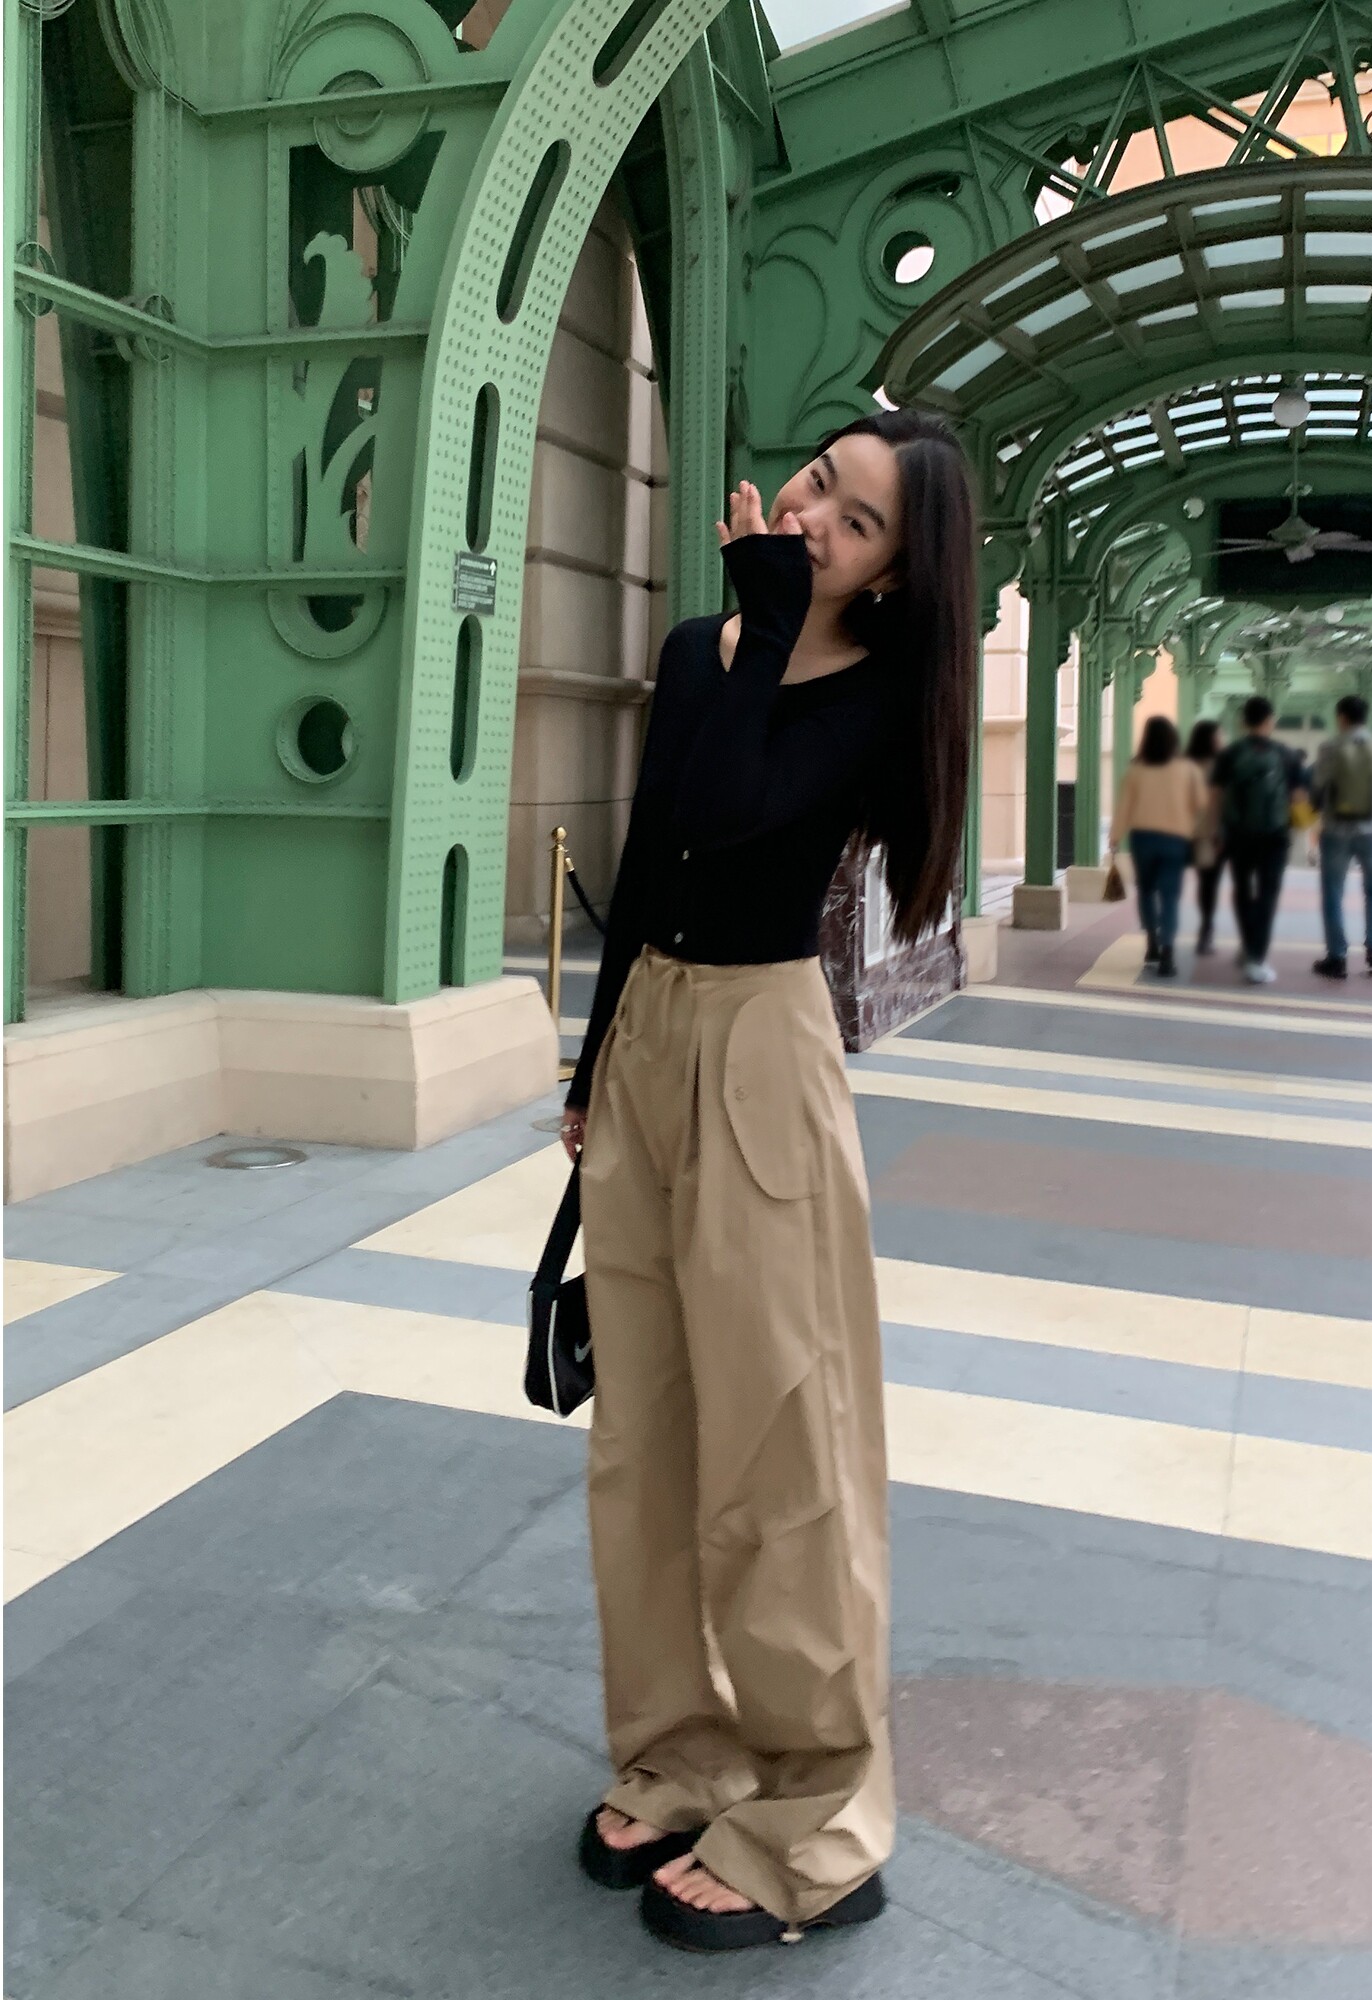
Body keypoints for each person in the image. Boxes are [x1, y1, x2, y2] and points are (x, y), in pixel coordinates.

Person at [558, 412, 977, 1953]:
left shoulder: (869, 695)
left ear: (893, 577)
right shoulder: (700, 648)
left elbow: (741, 812)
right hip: (653, 1040)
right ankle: (681, 1754)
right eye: (816, 484)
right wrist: (594, 1062)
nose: (810, 520)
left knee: (782, 1447)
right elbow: (654, 850)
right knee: (647, 1436)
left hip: (759, 1049)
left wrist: (775, 622)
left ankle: (819, 1819)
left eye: (854, 524)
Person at [1210, 696, 1307, 984]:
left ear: (1243, 721)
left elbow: (1215, 796)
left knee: (1242, 891)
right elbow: (1298, 797)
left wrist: (1216, 831)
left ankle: (1248, 945)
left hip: (1238, 834)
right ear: (1270, 721)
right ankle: (1257, 957)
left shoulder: (1230, 753)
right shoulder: (1286, 754)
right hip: (1275, 837)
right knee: (1267, 895)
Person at [1110, 716, 1207, 979]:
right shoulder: (1188, 769)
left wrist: (1115, 837)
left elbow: (1124, 807)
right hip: (1175, 840)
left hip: (1143, 839)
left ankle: (1152, 941)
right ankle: (1167, 952)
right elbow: (1201, 804)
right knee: (1170, 896)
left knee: (1146, 891)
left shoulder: (1136, 770)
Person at [1310, 693, 1372, 979]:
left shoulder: (1329, 747)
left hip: (1336, 829)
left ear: (1341, 718)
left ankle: (1337, 957)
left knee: (1333, 891)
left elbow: (1319, 783)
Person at [1185, 719, 1226, 954]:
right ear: (1210, 739)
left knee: (1206, 883)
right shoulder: (1219, 766)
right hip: (1213, 833)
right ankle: (1206, 930)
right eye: (1219, 735)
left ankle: (1206, 929)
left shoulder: (1186, 765)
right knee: (1210, 883)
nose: (1223, 739)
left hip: (1194, 832)